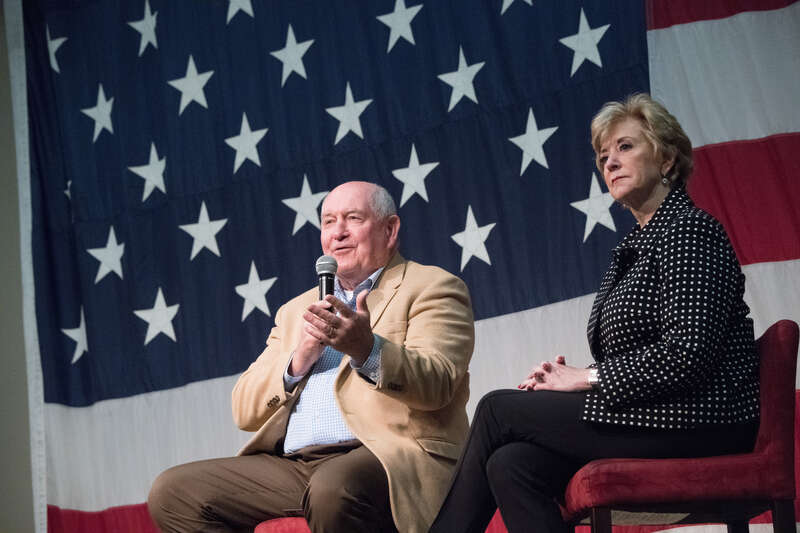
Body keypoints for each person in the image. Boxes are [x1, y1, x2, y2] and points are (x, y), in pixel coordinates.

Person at [429, 94, 760, 533]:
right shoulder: (632, 251)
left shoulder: (689, 231)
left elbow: (688, 353)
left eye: (625, 147)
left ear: (666, 160)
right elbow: (642, 355)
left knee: (496, 411)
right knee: (512, 463)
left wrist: (586, 379)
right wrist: (565, 383)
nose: (610, 162)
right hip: (655, 410)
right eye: (603, 156)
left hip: (704, 418)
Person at [148, 181, 475, 533]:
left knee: (333, 487)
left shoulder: (432, 287)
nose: (338, 233)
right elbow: (243, 409)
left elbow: (438, 383)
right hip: (294, 466)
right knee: (174, 493)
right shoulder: (295, 311)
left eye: (353, 218)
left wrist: (367, 349)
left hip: (386, 455)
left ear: (390, 229)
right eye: (329, 221)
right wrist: (298, 360)